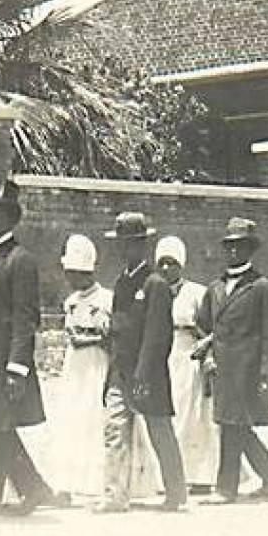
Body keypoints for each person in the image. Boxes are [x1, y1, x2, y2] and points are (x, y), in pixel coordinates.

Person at [0, 177, 59, 526]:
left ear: (13, 218)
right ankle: (33, 488)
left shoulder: (21, 260)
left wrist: (17, 367)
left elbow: (25, 317)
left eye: (0, 213)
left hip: (4, 362)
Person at [98, 212, 188, 513]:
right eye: (121, 244)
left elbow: (157, 337)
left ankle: (176, 493)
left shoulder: (155, 284)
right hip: (120, 371)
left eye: (132, 243)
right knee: (114, 430)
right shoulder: (122, 283)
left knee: (159, 431)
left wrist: (142, 376)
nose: (125, 250)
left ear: (142, 245)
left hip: (146, 375)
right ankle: (114, 495)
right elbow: (119, 328)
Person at [195, 217, 268, 504]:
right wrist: (208, 354)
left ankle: (227, 488)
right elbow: (204, 326)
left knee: (232, 424)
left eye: (241, 247)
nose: (235, 252)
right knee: (234, 424)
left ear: (251, 250)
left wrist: (267, 375)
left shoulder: (261, 287)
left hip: (247, 370)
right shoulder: (215, 288)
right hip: (221, 369)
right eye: (231, 247)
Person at [53, 233, 113, 499]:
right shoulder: (71, 301)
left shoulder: (105, 299)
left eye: (76, 273)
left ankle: (96, 480)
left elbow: (109, 336)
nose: (71, 279)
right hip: (75, 366)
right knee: (72, 415)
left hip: (95, 363)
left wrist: (86, 338)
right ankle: (69, 479)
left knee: (93, 416)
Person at [156, 235, 217, 491]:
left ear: (181, 264)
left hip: (187, 356)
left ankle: (198, 476)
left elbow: (213, 328)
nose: (166, 269)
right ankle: (167, 477)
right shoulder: (154, 289)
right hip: (162, 355)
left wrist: (207, 350)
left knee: (191, 416)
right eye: (162, 263)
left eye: (172, 263)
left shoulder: (197, 293)